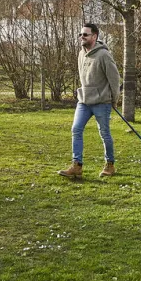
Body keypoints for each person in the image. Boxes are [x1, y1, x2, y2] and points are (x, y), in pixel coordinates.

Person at [59, 22, 121, 180]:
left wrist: (114, 99)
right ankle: (77, 165)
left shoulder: (104, 55)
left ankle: (110, 164)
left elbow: (114, 79)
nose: (81, 37)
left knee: (104, 133)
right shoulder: (81, 54)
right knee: (76, 129)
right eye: (80, 34)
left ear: (94, 36)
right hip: (84, 101)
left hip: (102, 101)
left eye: (85, 34)